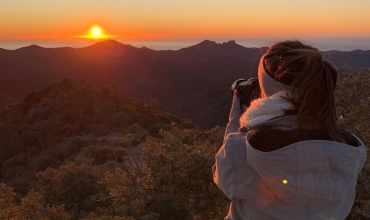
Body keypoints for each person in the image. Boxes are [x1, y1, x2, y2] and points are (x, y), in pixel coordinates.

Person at [212, 40, 366, 220]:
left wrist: (235, 128)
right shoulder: (351, 151)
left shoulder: (243, 149)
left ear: (269, 88)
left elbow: (223, 179)